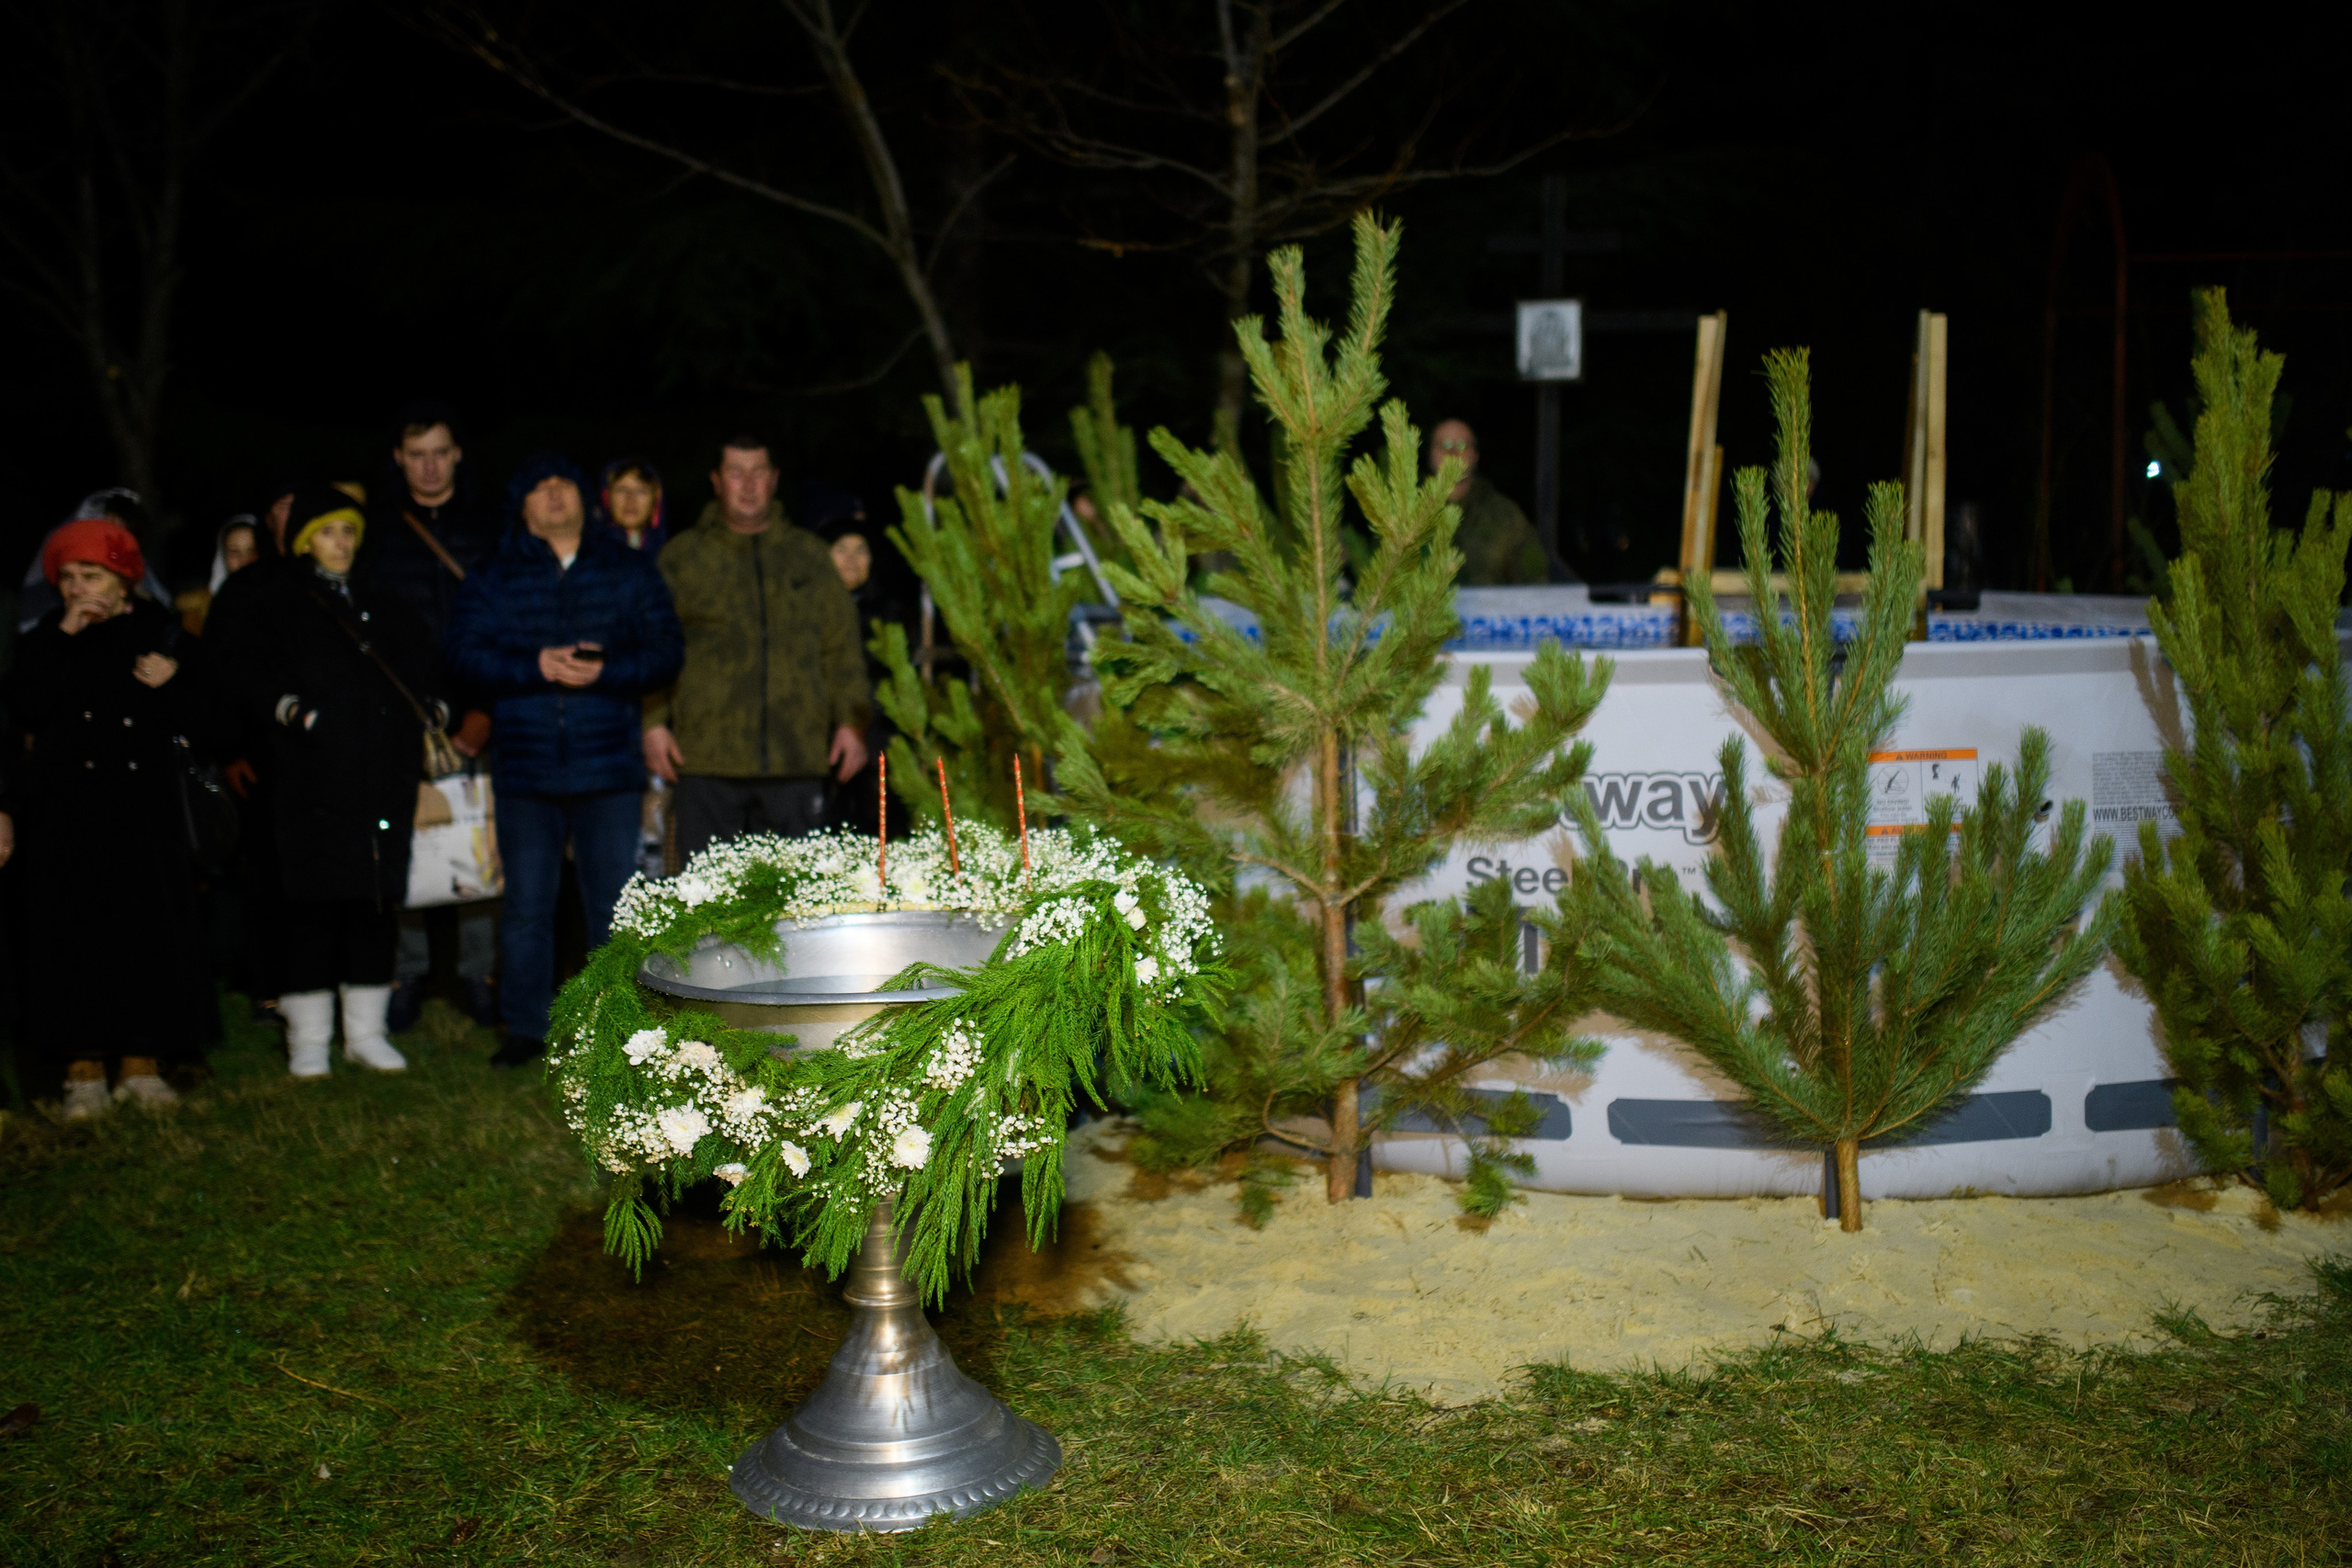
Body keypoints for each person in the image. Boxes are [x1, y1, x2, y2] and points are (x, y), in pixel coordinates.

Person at [447, 453, 683, 1069]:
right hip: (525, 768)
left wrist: (606, 672)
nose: (554, 496)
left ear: (586, 500)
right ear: (521, 504)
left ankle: (618, 1025)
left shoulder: (626, 570)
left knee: (611, 902)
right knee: (527, 905)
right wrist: (534, 668)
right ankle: (526, 1027)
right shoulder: (494, 575)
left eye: (565, 486)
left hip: (607, 766)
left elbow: (666, 651)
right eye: (539, 487)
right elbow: (463, 655)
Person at [221, 486, 445, 1078]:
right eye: (326, 532)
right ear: (303, 541)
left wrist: (431, 713)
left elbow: (423, 668)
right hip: (309, 783)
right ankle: (310, 1040)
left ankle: (366, 1033)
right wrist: (298, 714)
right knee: (311, 908)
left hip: (382, 780)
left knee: (374, 903)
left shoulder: (383, 603)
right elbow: (246, 672)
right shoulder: (280, 602)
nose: (340, 543)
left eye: (347, 531)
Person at [5, 517, 218, 1118]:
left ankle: (142, 1063)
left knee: (144, 936)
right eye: (67, 577)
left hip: (143, 817)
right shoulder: (47, 637)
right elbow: (24, 702)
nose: (77, 588)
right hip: (66, 819)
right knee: (74, 940)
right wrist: (65, 633)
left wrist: (174, 685)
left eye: (90, 574)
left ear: (122, 576)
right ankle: (82, 1069)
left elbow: (211, 723)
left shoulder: (162, 633)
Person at [644, 435, 871, 859]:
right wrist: (653, 723)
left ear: (774, 480)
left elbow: (841, 648)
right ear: (716, 481)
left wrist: (852, 723)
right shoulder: (683, 557)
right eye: (735, 473)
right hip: (706, 760)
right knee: (708, 901)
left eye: (758, 472)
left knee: (798, 901)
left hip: (796, 759)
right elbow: (657, 647)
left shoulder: (809, 555)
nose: (747, 484)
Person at [360, 401, 502, 1029]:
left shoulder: (490, 526)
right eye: (417, 454)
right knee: (407, 839)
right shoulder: (377, 531)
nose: (429, 465)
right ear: (399, 459)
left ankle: (480, 973)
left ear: (458, 455)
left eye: (440, 452)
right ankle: (406, 973)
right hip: (404, 710)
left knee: (481, 836)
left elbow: (506, 627)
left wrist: (484, 711)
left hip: (478, 705)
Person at [1428, 420, 1552, 586]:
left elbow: (1535, 581)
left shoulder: (1506, 515)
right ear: (1430, 455)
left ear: (1475, 456)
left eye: (1462, 446)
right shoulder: (1407, 512)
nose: (1453, 452)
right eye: (1445, 445)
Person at [597, 457, 667, 555]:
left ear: (656, 500)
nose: (631, 499)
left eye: (641, 491)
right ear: (606, 497)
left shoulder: (671, 555)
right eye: (621, 490)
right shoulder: (588, 552)